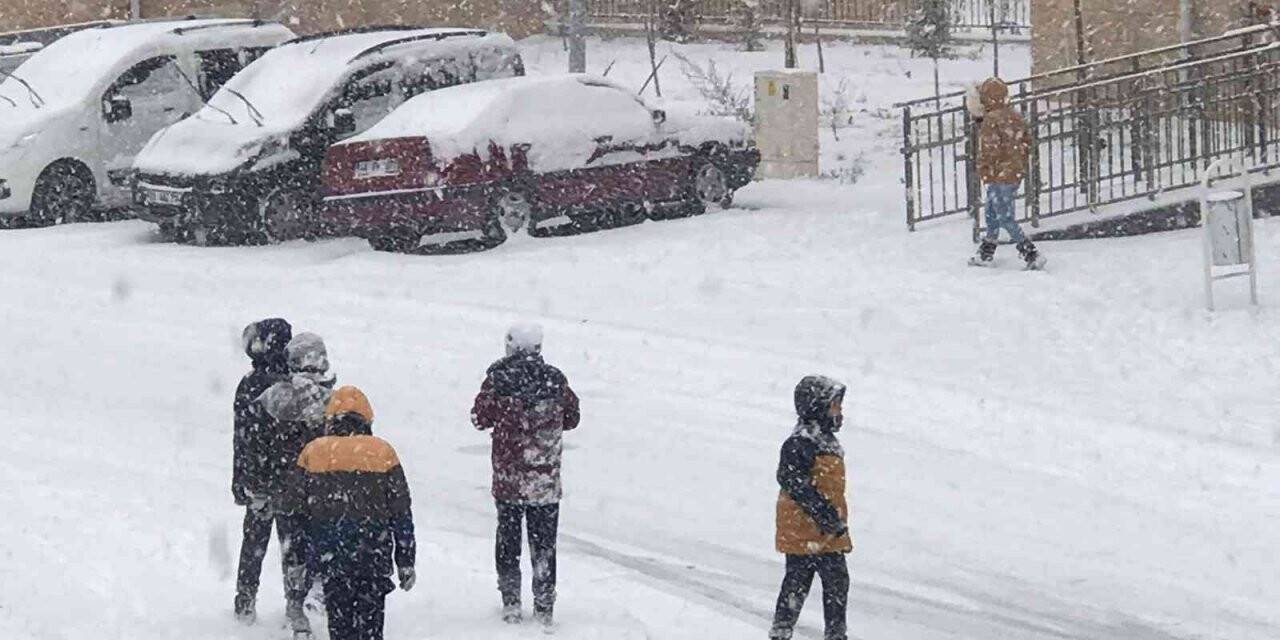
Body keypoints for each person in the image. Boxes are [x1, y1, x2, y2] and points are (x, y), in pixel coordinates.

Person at [471, 324, 580, 628]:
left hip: (509, 480)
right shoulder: (555, 380)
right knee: (544, 546)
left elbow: (479, 418)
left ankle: (511, 602)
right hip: (545, 480)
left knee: (508, 542)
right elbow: (573, 418)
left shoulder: (498, 380)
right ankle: (544, 605)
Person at [289, 386, 416, 640]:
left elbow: (296, 514)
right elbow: (401, 512)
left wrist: (297, 559)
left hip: (331, 558)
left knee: (340, 627)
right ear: (367, 419)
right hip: (373, 555)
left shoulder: (313, 452)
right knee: (371, 628)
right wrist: (406, 560)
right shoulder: (383, 453)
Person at [233, 318, 313, 635]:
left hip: (259, 479)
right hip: (291, 480)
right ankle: (296, 605)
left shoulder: (251, 383)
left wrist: (241, 479)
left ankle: (245, 602)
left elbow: (242, 438)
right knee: (293, 547)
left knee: (254, 542)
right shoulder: (298, 383)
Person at [259, 333, 339, 619]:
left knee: (292, 551)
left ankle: (296, 609)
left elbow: (261, 445)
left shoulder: (274, 398)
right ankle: (320, 598)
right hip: (322, 489)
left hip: (286, 487)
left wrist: (262, 482)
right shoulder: (333, 401)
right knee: (323, 545)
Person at [769, 376, 852, 640]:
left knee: (835, 583)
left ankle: (834, 633)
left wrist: (832, 519)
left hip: (826, 533)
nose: (839, 411)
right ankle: (783, 631)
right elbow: (793, 481)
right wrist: (824, 514)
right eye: (834, 405)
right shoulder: (800, 443)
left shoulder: (827, 443)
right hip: (805, 532)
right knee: (798, 584)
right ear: (817, 407)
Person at [970, 77, 1046, 270]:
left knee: (1003, 216)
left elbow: (990, 150)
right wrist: (1017, 161)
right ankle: (986, 251)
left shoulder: (991, 120)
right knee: (991, 212)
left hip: (998, 174)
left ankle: (1031, 252)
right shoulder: (1015, 116)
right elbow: (1027, 142)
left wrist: (984, 169)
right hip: (1013, 172)